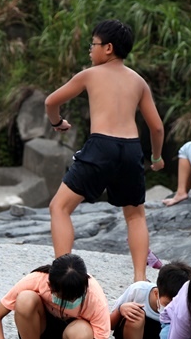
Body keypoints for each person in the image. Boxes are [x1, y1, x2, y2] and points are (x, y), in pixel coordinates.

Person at [45, 20, 165, 283]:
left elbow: (51, 101)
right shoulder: (138, 81)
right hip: (131, 149)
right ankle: (139, 279)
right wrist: (156, 158)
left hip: (102, 146)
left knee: (60, 207)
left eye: (94, 44)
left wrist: (57, 122)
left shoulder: (90, 74)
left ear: (108, 48)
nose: (91, 50)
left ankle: (64, 273)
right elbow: (156, 128)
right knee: (135, 215)